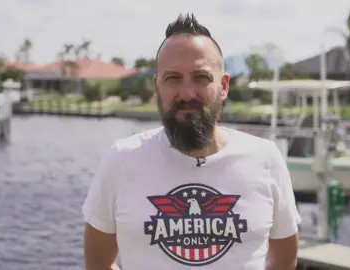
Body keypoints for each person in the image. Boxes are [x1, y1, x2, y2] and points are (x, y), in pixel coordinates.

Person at [82, 13, 302, 270]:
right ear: (156, 87)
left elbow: (284, 260)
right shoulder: (122, 159)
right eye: (173, 78)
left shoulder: (265, 158)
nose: (187, 93)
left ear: (224, 86)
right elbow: (98, 263)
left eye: (201, 78)